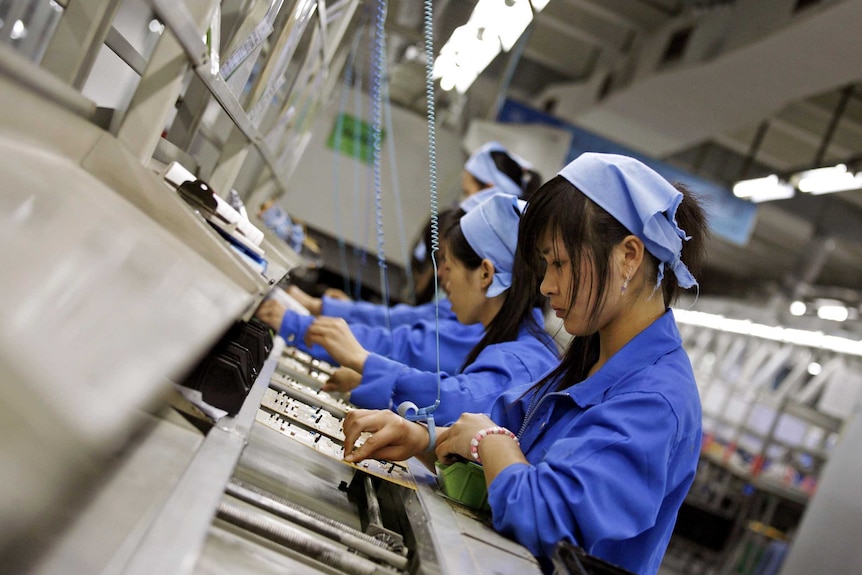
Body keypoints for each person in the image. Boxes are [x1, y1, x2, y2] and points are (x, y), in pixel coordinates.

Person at [341, 152, 709, 575]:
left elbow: (545, 516)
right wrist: (424, 439)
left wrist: (490, 441)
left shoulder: (655, 404)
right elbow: (501, 456)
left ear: (628, 256)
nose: (547, 285)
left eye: (559, 263)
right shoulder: (590, 362)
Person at [294, 193, 559, 426]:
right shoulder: (511, 338)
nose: (443, 279)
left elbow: (454, 402)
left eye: (449, 267)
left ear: (485, 274)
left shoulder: (524, 360)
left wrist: (362, 360)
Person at [255, 208, 486, 379]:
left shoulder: (489, 337)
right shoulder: (468, 313)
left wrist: (364, 366)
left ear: (486, 272)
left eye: (448, 263)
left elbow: (406, 348)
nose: (442, 274)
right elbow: (403, 324)